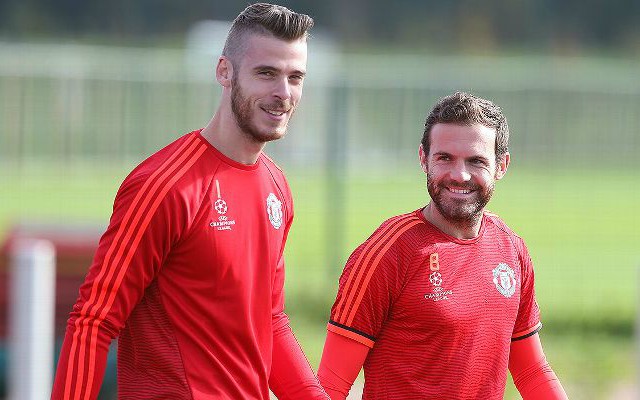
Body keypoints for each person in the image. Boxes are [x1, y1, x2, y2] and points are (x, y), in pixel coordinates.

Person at [51, 3, 329, 399]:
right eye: (266, 73)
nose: (283, 92)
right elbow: (94, 321)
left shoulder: (277, 187)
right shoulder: (164, 185)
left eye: (295, 76)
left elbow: (271, 321)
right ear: (224, 72)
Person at [317, 92, 568, 400]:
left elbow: (532, 372)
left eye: (476, 161)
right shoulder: (387, 252)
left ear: (502, 165)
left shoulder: (511, 249)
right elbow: (329, 385)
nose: (459, 175)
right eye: (445, 158)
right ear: (424, 159)